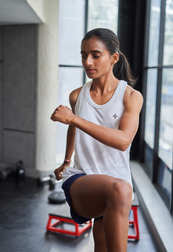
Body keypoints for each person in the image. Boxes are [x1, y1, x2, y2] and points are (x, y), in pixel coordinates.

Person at [51, 28, 143, 252]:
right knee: (121, 190)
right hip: (83, 180)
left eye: (95, 54)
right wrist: (66, 160)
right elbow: (74, 129)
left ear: (113, 58)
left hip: (116, 187)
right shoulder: (77, 95)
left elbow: (123, 141)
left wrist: (74, 118)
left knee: (102, 247)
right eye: (83, 55)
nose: (88, 61)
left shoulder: (131, 97)